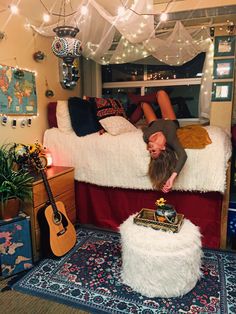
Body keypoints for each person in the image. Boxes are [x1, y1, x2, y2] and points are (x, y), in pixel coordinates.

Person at [130, 90, 187, 193]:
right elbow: (183, 156)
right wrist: (171, 178)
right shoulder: (170, 139)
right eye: (154, 151)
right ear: (163, 148)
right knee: (161, 93)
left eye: (150, 152)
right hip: (169, 119)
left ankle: (130, 116)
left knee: (143, 104)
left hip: (153, 123)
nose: (150, 149)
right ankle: (137, 98)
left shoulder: (146, 137)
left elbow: (148, 133)